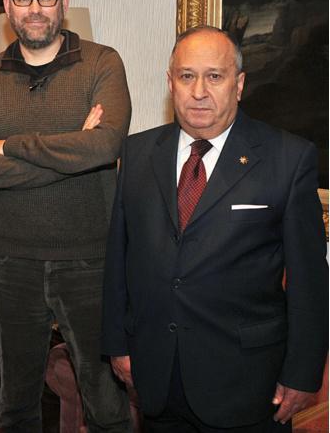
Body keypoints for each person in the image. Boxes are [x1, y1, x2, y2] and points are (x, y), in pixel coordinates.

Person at [101, 26, 328, 432]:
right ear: (170, 83)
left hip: (246, 382)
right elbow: (119, 258)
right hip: (156, 376)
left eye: (215, 76)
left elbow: (310, 281)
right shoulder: (136, 153)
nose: (199, 91)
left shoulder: (288, 159)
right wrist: (118, 345)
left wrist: (303, 373)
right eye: (187, 76)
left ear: (239, 85)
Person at [0, 0, 133, 432]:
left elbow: (105, 145)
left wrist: (12, 147)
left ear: (65, 2)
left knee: (106, 406)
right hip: (11, 263)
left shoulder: (103, 62)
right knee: (14, 407)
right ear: (8, 6)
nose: (35, 8)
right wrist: (71, 151)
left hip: (90, 263)